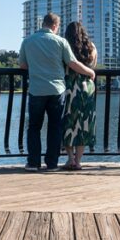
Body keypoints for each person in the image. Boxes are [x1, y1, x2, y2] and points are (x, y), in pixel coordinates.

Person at [18, 12, 95, 170]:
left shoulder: (27, 41)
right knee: (55, 126)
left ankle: (33, 163)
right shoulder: (60, 42)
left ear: (43, 24)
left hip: (36, 89)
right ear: (54, 26)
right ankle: (52, 163)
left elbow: (23, 65)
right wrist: (90, 72)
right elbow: (72, 63)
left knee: (34, 127)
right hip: (57, 90)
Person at [61, 21, 97, 170]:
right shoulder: (91, 47)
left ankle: (70, 159)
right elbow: (93, 66)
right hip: (87, 87)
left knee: (69, 123)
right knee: (84, 124)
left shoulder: (64, 46)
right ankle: (78, 161)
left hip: (70, 87)